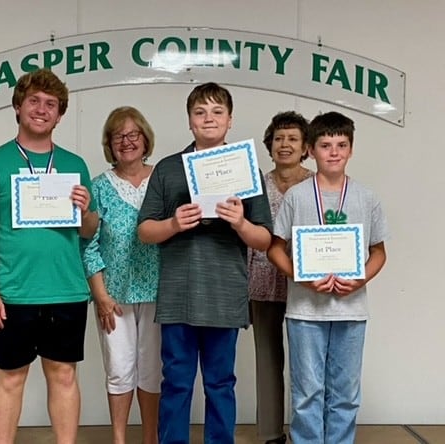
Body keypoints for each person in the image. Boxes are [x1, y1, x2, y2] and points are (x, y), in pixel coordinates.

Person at [0, 68, 98, 444]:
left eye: (51, 104)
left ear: (60, 114)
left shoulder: (75, 165)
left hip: (67, 290)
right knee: (10, 378)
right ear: (18, 108)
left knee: (64, 376)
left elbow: (88, 231)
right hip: (13, 293)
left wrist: (86, 210)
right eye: (34, 101)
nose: (42, 109)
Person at [137, 82, 273, 444]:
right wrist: (173, 223)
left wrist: (241, 222)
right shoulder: (167, 169)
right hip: (178, 295)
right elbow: (145, 231)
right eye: (200, 112)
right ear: (189, 121)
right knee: (177, 383)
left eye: (217, 112)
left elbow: (264, 239)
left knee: (220, 384)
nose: (208, 119)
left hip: (225, 295)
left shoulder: (247, 170)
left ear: (230, 121)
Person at [267, 111, 388, 444]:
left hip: (351, 310)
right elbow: (275, 249)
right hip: (305, 310)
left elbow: (379, 253)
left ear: (350, 149)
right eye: (325, 145)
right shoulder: (297, 196)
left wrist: (360, 279)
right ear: (311, 149)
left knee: (345, 394)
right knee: (307, 393)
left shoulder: (366, 197)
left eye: (341, 145)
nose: (333, 152)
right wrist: (301, 277)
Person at [82, 106, 160, 444]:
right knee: (119, 371)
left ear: (145, 139)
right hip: (113, 295)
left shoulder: (164, 180)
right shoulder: (98, 186)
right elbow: (88, 244)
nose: (127, 142)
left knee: (152, 372)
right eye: (119, 137)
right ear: (109, 145)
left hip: (160, 293)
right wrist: (100, 294)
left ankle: (150, 438)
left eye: (133, 135)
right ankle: (118, 438)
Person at [247, 111, 314, 444]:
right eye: (278, 138)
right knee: (268, 360)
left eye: (292, 139)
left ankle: (309, 432)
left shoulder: (318, 183)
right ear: (269, 145)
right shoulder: (255, 184)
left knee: (309, 364)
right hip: (261, 280)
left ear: (306, 148)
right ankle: (272, 434)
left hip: (309, 285)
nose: (284, 145)